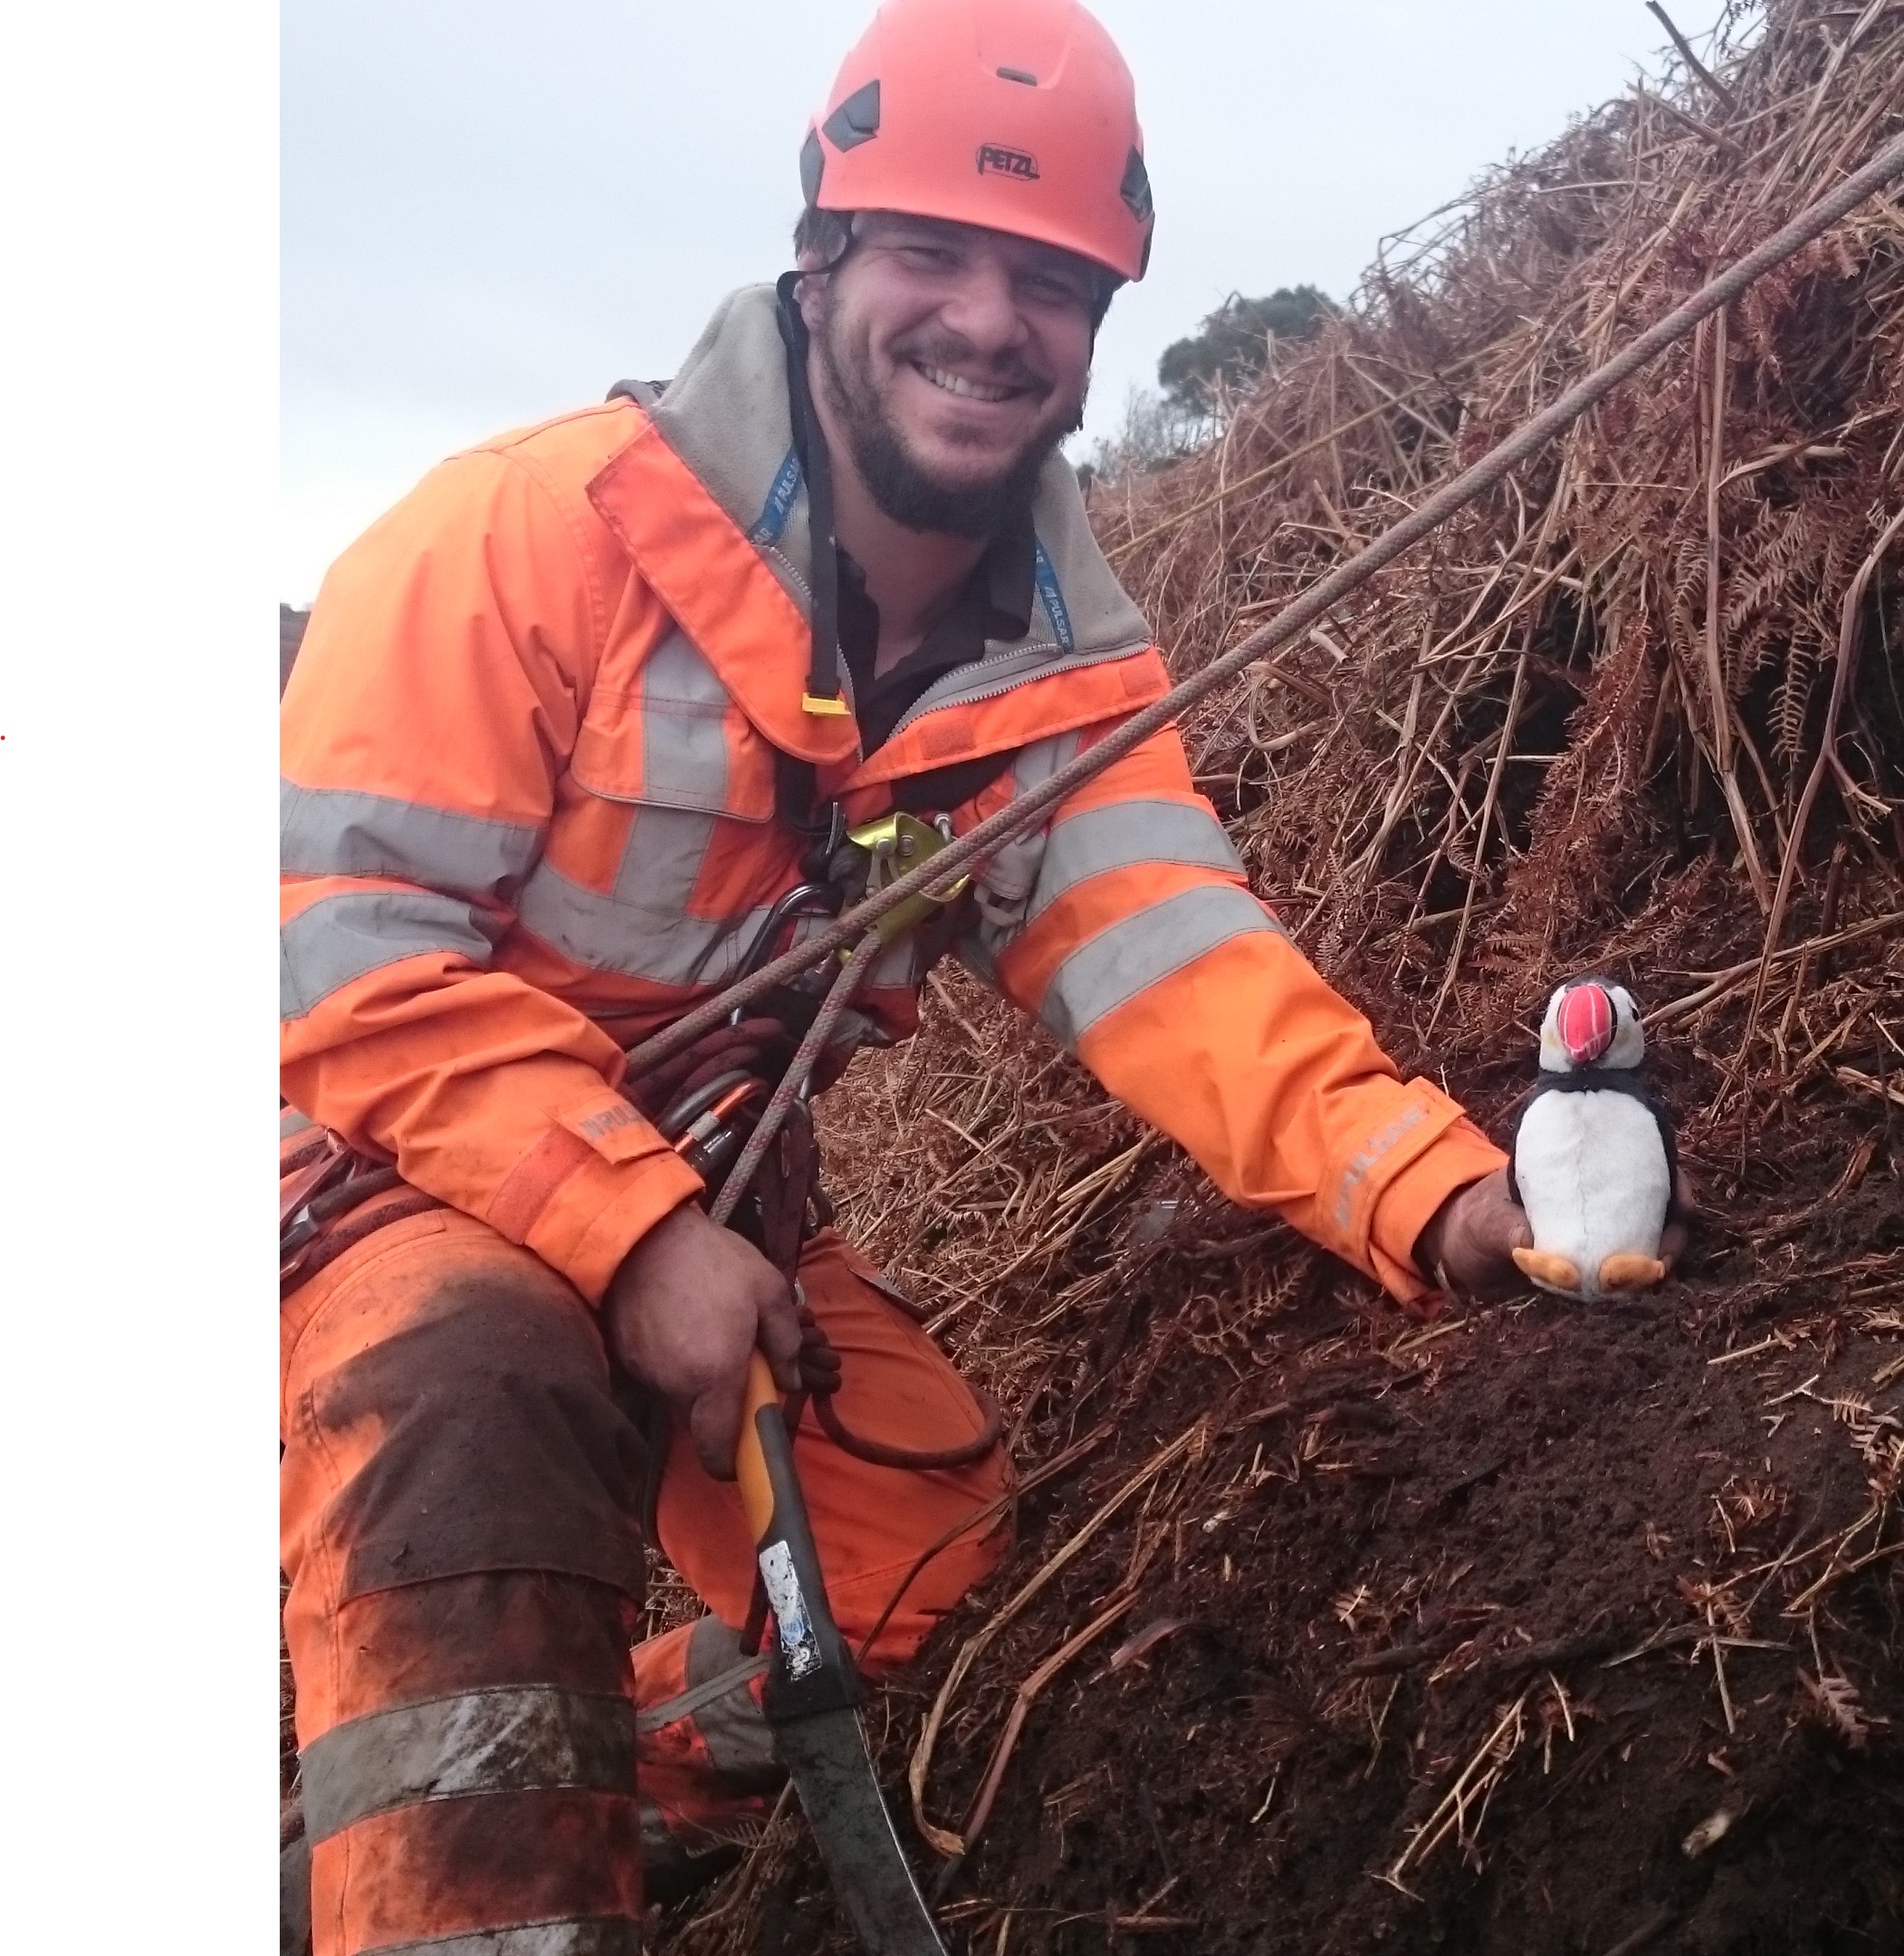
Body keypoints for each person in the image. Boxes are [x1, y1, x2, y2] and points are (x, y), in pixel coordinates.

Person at [277, 3, 1529, 1947]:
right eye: (931, 253)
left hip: (709, 1201)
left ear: (1102, 314)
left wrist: (1435, 1186)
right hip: (380, 1190)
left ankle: (495, 1797)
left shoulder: (1051, 681)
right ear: (821, 258)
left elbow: (1175, 960)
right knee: (476, 1412)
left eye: (1045, 278)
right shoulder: (518, 536)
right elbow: (341, 953)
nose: (986, 319)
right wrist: (626, 1241)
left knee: (923, 1576)